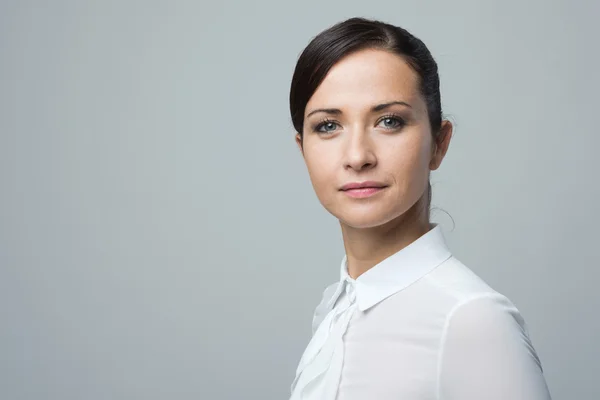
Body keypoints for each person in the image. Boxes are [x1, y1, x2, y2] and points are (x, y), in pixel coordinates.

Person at [288, 17, 552, 400]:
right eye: (328, 126)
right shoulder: (334, 308)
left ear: (439, 143)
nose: (357, 156)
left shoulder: (472, 321)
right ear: (303, 149)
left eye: (389, 121)